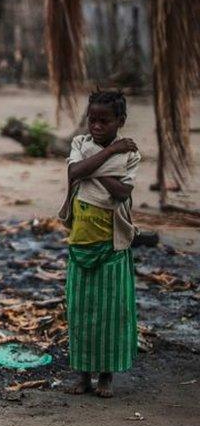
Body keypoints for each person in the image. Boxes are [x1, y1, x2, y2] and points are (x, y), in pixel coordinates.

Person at [58, 89, 141, 398]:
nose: (96, 126)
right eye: (92, 120)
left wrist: (91, 170)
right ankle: (83, 377)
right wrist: (107, 156)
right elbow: (74, 172)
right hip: (80, 244)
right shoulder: (81, 144)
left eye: (104, 121)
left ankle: (106, 377)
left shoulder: (130, 154)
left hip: (112, 248)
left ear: (120, 121)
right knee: (80, 314)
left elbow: (121, 192)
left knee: (110, 315)